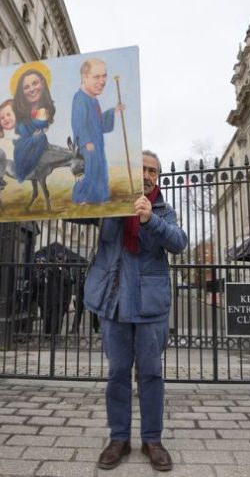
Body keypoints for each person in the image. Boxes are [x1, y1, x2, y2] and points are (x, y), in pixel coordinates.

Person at [84, 150, 186, 471]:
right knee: (117, 374)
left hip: (149, 306)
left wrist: (149, 220)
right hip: (113, 303)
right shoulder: (109, 200)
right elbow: (77, 210)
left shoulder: (164, 210)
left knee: (151, 374)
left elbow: (179, 242)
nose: (146, 175)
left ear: (157, 177)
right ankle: (119, 439)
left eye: (152, 171)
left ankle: (152, 440)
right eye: (140, 168)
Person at [71, 58, 126, 204]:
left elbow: (99, 122)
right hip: (87, 145)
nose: (102, 81)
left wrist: (113, 111)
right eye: (97, 77)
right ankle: (81, 198)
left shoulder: (93, 100)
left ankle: (99, 197)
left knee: (100, 169)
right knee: (88, 170)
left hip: (97, 143)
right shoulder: (80, 99)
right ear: (84, 77)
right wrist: (86, 141)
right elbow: (78, 122)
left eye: (104, 76)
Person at [10, 65, 56, 182]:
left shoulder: (46, 110)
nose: (31, 89)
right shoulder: (19, 111)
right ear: (22, 91)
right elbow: (21, 129)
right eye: (26, 87)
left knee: (41, 138)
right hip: (23, 145)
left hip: (36, 143)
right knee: (41, 138)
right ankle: (23, 172)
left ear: (43, 83)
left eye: (35, 83)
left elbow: (41, 128)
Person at [0, 99, 17, 179]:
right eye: (2, 118)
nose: (6, 118)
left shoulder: (22, 130)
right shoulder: (2, 135)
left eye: (8, 115)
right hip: (9, 164)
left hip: (22, 163)